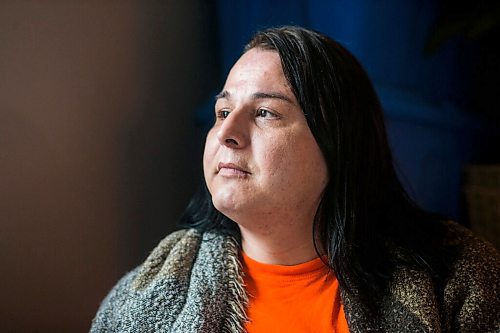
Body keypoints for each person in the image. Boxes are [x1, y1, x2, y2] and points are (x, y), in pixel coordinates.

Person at [90, 26, 500, 332]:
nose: (226, 132)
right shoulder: (139, 301)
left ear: (338, 142)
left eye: (265, 112)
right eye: (221, 112)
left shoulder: (461, 281)